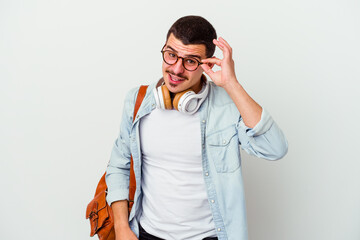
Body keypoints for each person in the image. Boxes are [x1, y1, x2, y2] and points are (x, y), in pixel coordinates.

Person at [105, 15, 288, 240]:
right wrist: (122, 228)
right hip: (146, 234)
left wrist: (231, 84)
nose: (177, 69)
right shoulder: (137, 100)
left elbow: (275, 148)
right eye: (171, 55)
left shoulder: (227, 105)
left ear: (207, 63)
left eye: (190, 61)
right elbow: (119, 166)